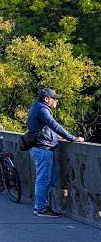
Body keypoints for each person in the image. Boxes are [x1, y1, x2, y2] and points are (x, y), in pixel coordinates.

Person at [27, 88, 83, 217]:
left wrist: (55, 137)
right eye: (54, 98)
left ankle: (41, 205)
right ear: (47, 99)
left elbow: (42, 127)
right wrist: (72, 138)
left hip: (42, 147)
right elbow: (54, 125)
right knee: (43, 180)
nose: (57, 101)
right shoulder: (42, 109)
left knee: (52, 179)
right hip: (42, 149)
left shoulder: (37, 107)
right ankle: (41, 209)